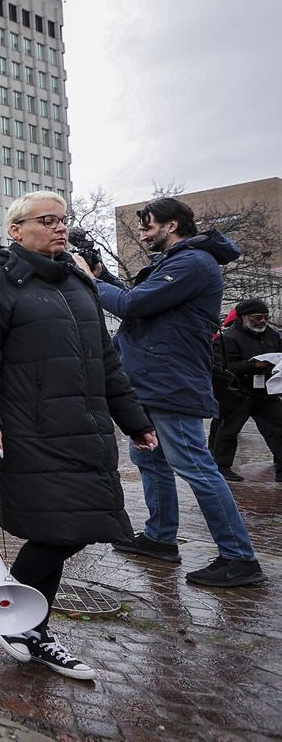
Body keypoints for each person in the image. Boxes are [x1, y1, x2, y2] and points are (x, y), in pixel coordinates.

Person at [0, 191, 156, 680]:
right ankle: (20, 616)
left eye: (62, 220)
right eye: (47, 221)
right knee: (58, 529)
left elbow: (106, 361)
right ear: (16, 230)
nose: (59, 228)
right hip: (28, 430)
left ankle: (26, 622)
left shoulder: (78, 282)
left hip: (84, 429)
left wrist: (136, 420)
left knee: (75, 528)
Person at [84, 197, 266, 587]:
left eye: (149, 226)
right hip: (152, 381)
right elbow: (143, 301)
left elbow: (134, 305)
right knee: (151, 461)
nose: (144, 233)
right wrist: (105, 277)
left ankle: (239, 558)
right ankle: (159, 538)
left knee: (196, 467)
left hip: (171, 382)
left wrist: (90, 280)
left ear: (172, 225)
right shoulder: (175, 263)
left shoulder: (193, 262)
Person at [211, 299, 282, 482]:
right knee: (228, 431)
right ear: (244, 318)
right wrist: (252, 365)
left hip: (266, 392)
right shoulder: (229, 338)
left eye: (265, 317)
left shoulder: (272, 336)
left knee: (278, 429)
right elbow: (224, 367)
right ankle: (222, 467)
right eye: (257, 317)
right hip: (238, 393)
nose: (262, 321)